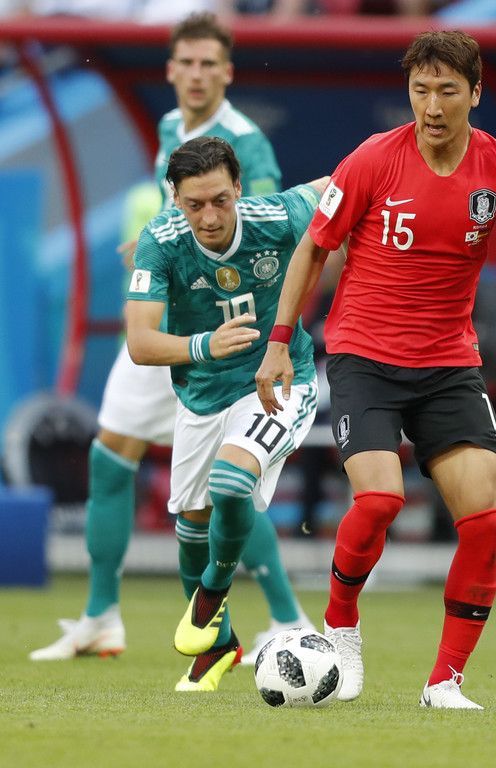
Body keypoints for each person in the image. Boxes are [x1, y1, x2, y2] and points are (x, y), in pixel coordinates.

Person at [255, 29, 496, 709]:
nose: (431, 105)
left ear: (475, 93)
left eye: (446, 91)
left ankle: (444, 682)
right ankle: (341, 630)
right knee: (379, 501)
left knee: (485, 521)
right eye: (419, 89)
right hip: (364, 355)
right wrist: (280, 341)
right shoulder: (373, 158)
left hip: (448, 363)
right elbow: (313, 249)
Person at [30, 12, 312, 668]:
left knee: (230, 481)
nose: (195, 75)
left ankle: (285, 618)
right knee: (111, 456)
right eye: (186, 62)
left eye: (208, 64)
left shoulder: (246, 144)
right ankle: (101, 616)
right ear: (169, 69)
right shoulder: (168, 128)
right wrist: (159, 245)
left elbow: (262, 242)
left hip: (228, 337)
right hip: (170, 331)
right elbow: (180, 226)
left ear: (227, 72)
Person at [126, 135, 328, 690]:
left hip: (278, 382)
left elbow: (339, 183)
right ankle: (219, 646)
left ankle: (212, 594)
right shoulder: (161, 241)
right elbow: (140, 343)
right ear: (175, 198)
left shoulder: (276, 217)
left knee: (232, 481)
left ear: (239, 187)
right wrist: (204, 346)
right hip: (201, 395)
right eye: (195, 205)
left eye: (220, 200)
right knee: (192, 526)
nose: (210, 217)